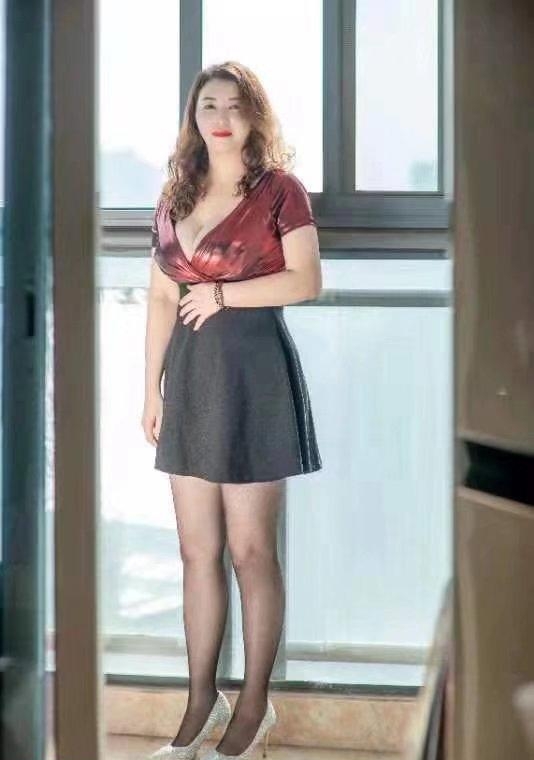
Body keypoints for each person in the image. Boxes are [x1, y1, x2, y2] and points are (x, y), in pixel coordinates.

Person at [142, 60, 323, 760]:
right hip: (189, 379)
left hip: (255, 375)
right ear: (194, 117)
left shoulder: (280, 190)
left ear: (254, 114)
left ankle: (253, 706)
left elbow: (306, 280)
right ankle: (199, 702)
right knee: (196, 551)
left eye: (234, 104)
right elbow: (162, 297)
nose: (220, 117)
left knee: (251, 551)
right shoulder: (175, 193)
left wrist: (222, 295)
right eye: (208, 105)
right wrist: (150, 389)